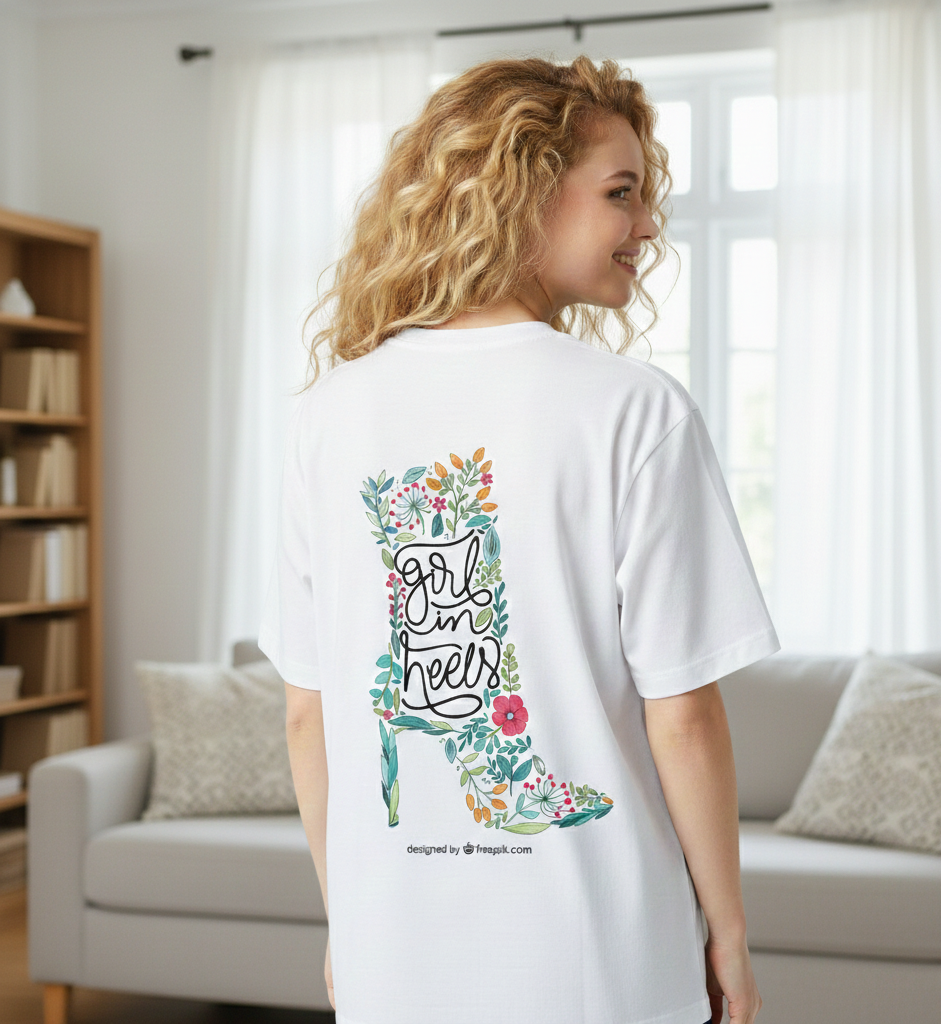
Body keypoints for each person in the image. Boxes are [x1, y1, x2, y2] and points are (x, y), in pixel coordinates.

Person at [259, 54, 780, 1024]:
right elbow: (682, 715)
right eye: (621, 193)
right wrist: (730, 934)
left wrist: (350, 921)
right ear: (525, 190)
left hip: (393, 957)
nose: (648, 226)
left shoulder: (328, 414)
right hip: (600, 953)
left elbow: (306, 712)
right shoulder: (635, 412)